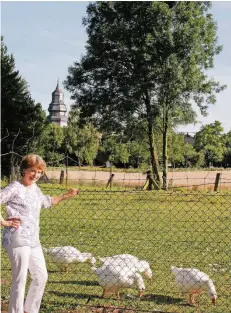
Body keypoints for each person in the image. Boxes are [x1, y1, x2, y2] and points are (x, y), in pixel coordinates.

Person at [0, 154, 80, 313]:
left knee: (41, 275)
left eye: (39, 172)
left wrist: (67, 195)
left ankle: (30, 310)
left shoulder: (35, 188)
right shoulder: (15, 187)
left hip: (33, 240)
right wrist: (3, 222)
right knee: (20, 279)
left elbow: (47, 202)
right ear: (24, 170)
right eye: (33, 171)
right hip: (17, 238)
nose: (36, 175)